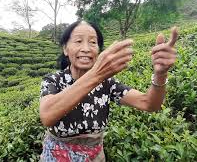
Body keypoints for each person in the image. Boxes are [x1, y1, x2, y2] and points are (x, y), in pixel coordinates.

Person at [39, 20, 178, 161]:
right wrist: (96, 75)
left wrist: (161, 75)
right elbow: (47, 115)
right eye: (78, 41)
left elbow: (149, 103)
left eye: (93, 42)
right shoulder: (53, 80)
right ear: (65, 49)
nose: (86, 48)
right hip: (56, 157)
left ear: (99, 49)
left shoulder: (107, 83)